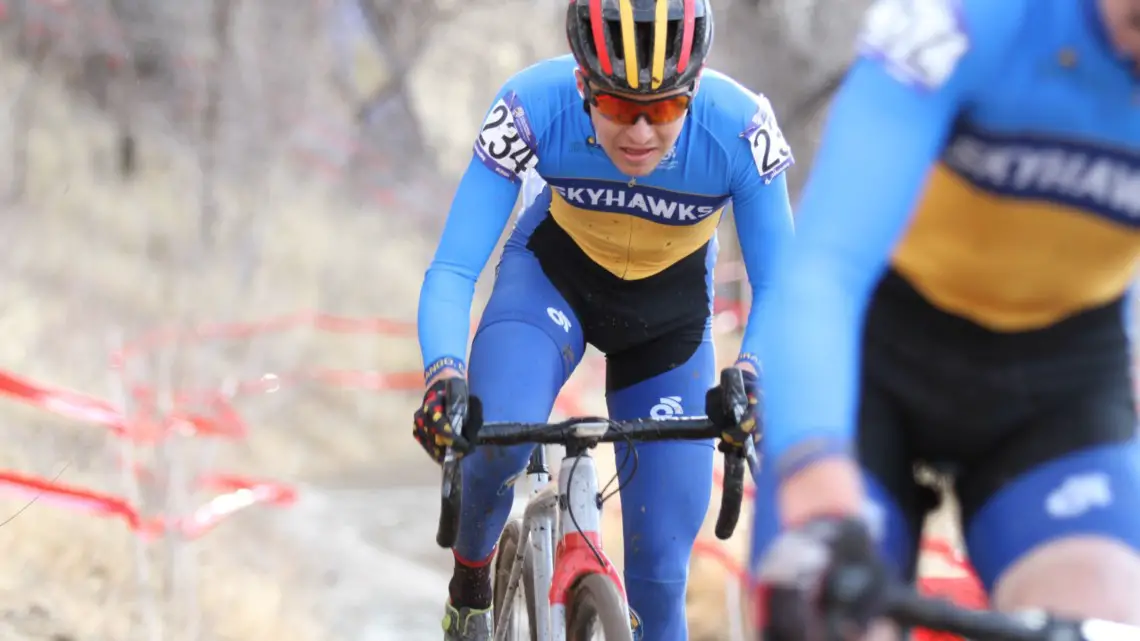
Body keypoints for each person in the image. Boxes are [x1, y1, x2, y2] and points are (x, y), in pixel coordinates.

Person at [747, 0, 1140, 639]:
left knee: (1105, 620)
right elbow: (823, 266)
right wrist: (815, 472)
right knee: (819, 614)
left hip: (1058, 385)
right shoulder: (969, 21)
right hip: (874, 357)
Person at [411, 1, 794, 638]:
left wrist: (752, 378)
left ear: (694, 89)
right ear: (583, 84)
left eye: (666, 108)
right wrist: (443, 378)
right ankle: (470, 587)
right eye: (617, 106)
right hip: (550, 286)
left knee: (663, 574)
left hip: (668, 325)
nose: (640, 131)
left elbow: (783, 285)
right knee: (489, 446)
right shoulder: (532, 104)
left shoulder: (742, 130)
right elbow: (452, 270)